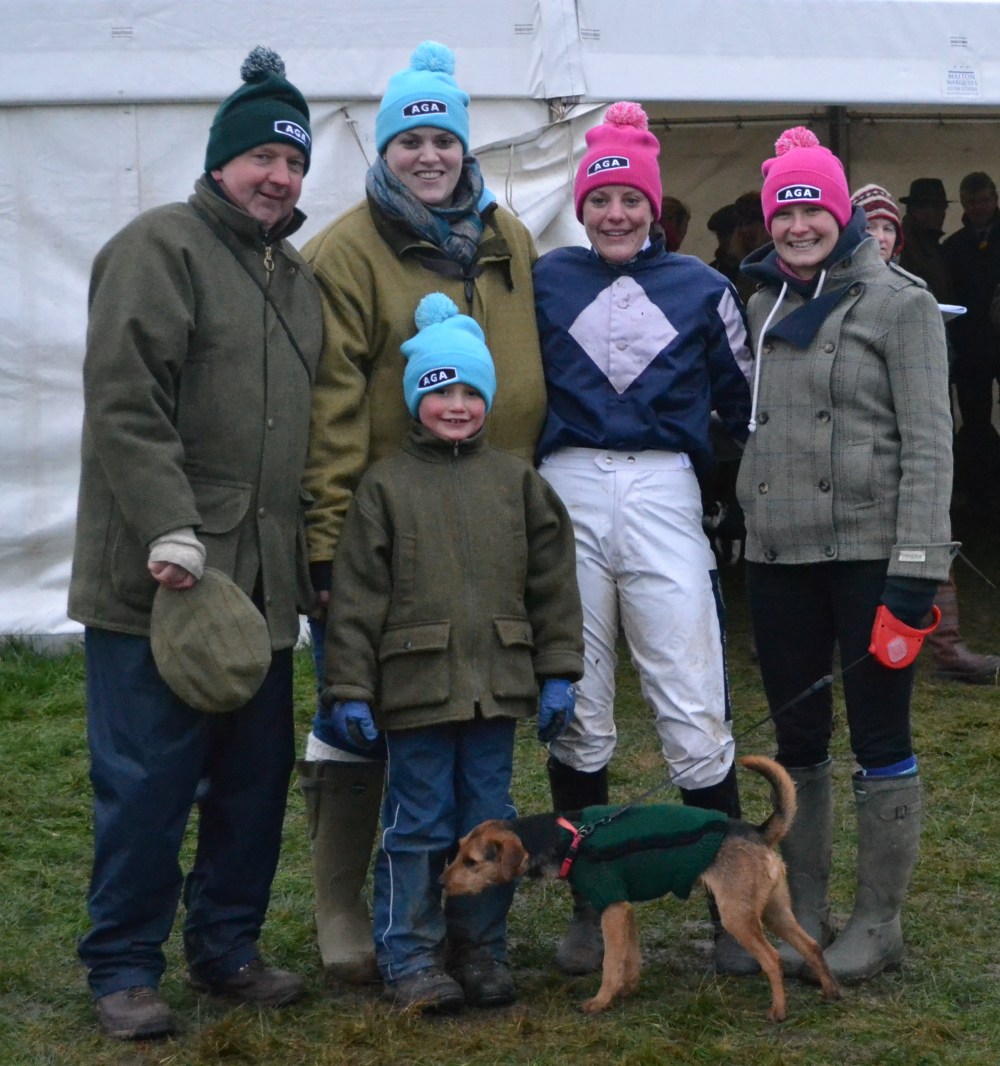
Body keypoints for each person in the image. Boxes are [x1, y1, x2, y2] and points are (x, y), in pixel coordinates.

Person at [67, 48, 322, 1040]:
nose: (279, 178)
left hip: (259, 588)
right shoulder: (157, 248)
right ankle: (124, 964)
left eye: (294, 164)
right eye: (262, 157)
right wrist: (169, 526)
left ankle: (227, 948)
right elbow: (126, 405)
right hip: (160, 580)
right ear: (222, 160)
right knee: (147, 781)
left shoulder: (295, 277)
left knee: (253, 785)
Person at [297, 40, 547, 987]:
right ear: (385, 150)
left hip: (492, 526)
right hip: (384, 537)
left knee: (478, 759)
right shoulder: (346, 253)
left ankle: (471, 938)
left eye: (445, 138)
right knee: (364, 722)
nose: (431, 155)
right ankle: (348, 915)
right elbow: (328, 412)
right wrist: (328, 546)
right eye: (412, 141)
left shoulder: (504, 237)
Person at [532, 102, 755, 977]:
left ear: (656, 208)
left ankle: (725, 905)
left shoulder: (703, 286)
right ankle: (593, 908)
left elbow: (742, 400)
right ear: (581, 207)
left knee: (693, 701)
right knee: (574, 702)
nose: (617, 214)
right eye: (602, 199)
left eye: (632, 199)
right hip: (568, 486)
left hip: (665, 486)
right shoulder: (547, 279)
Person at [319, 293, 583, 1012]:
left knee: (489, 825)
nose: (457, 405)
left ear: (488, 399)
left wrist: (559, 672)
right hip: (416, 690)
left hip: (496, 685)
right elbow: (357, 600)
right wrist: (348, 688)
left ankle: (481, 949)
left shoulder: (519, 485)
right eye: (441, 391)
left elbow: (554, 586)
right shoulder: (384, 487)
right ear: (416, 400)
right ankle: (411, 955)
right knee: (420, 824)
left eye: (471, 391)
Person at [738, 129, 955, 985]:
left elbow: (932, 443)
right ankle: (808, 904)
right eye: (783, 210)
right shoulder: (762, 306)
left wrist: (917, 566)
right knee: (798, 735)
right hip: (779, 554)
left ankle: (880, 920)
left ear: (841, 213)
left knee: (878, 732)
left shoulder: (901, 304)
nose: (796, 225)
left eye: (811, 207)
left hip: (871, 553)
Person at [853, 183, 1000, 686]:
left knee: (928, 537)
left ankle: (947, 647)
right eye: (868, 227)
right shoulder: (829, 292)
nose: (878, 237)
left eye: (887, 227)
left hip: (907, 438)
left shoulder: (912, 288)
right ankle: (843, 644)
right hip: (852, 446)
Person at [942, 172, 1000, 515]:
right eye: (972, 201)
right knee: (976, 422)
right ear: (963, 204)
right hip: (972, 352)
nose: (978, 207)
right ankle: (981, 493)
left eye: (984, 200)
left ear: (995, 198)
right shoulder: (953, 247)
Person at [898, 177, 955, 304]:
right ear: (917, 210)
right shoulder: (903, 245)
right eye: (935, 208)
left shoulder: (932, 244)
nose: (942, 214)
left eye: (943, 208)